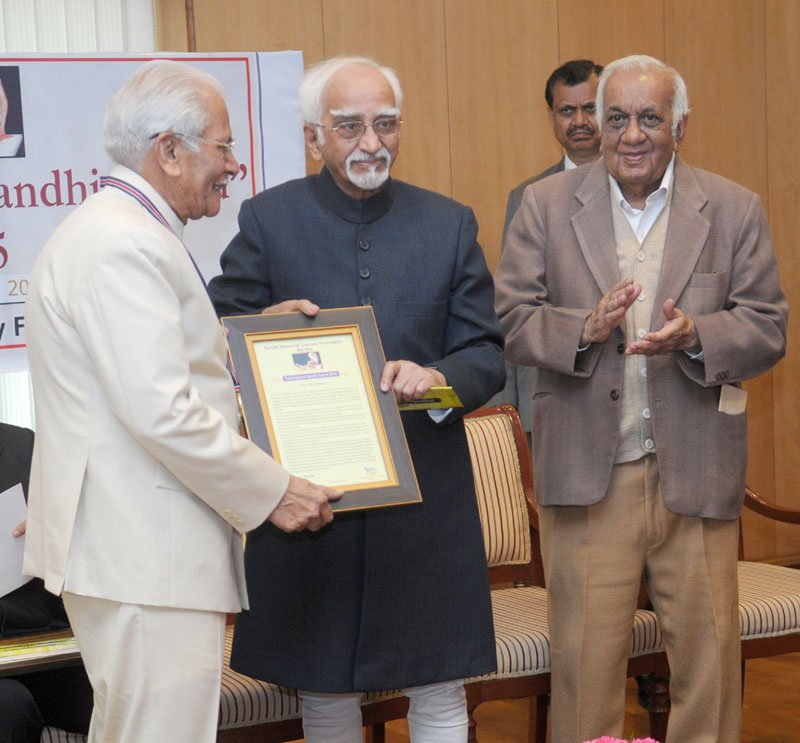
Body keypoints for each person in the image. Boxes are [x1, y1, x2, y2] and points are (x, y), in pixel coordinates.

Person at [23, 60, 341, 743]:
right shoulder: (124, 243)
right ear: (168, 150)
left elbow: (144, 369)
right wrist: (276, 489)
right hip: (144, 553)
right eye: (222, 147)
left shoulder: (119, 231)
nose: (233, 164)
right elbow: (162, 409)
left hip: (138, 549)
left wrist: (242, 339)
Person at [208, 55, 505, 743]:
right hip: (314, 496)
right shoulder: (267, 218)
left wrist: (438, 380)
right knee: (325, 684)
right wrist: (262, 332)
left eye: (385, 124)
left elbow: (487, 351)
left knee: (438, 682)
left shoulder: (449, 222)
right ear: (315, 137)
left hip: (425, 492)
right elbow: (216, 338)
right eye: (349, 126)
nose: (371, 142)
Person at [494, 54, 788, 743]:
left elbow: (768, 325)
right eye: (616, 117)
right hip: (588, 480)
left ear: (679, 126)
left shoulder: (733, 207)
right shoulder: (545, 205)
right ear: (598, 123)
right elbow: (510, 317)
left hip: (697, 471)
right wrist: (581, 328)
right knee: (586, 673)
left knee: (708, 669)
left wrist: (697, 335)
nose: (631, 134)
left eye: (649, 118)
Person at [491, 59, 603, 436]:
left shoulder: (645, 189)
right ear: (552, 117)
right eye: (567, 111)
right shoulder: (527, 197)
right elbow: (511, 309)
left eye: (590, 108)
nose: (580, 121)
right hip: (551, 395)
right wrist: (506, 409)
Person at [1, 422, 93, 743]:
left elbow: (80, 525)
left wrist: (57, 528)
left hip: (41, 642)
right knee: (11, 709)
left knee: (120, 694)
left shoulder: (25, 444)